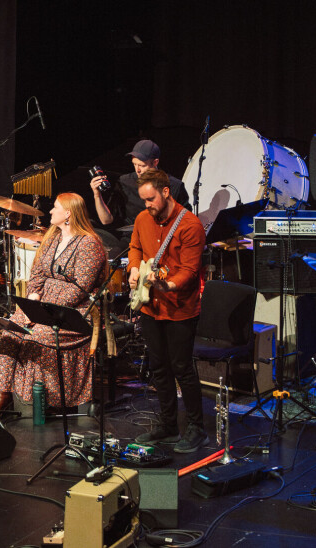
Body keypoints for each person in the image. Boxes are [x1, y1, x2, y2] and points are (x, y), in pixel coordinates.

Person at [0, 193, 107, 412]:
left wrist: (46, 310)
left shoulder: (90, 244)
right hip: (43, 304)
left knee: (38, 334)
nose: (50, 211)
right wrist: (34, 295)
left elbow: (80, 288)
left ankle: (49, 399)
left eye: (55, 207)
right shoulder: (53, 238)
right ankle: (3, 394)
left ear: (68, 214)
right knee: (9, 331)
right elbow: (38, 273)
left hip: (73, 311)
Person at [127, 168, 208, 453]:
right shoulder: (142, 219)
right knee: (159, 368)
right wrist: (134, 268)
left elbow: (189, 270)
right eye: (143, 200)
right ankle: (168, 424)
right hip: (151, 307)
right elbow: (135, 247)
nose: (146, 206)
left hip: (180, 310)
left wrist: (169, 285)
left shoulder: (190, 225)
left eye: (150, 199)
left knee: (182, 368)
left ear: (165, 192)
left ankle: (197, 428)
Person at [89, 139, 191, 229]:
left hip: (162, 237)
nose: (137, 170)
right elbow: (106, 220)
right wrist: (97, 195)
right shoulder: (124, 181)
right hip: (131, 239)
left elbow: (186, 221)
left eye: (142, 165)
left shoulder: (174, 186)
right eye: (134, 164)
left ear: (155, 162)